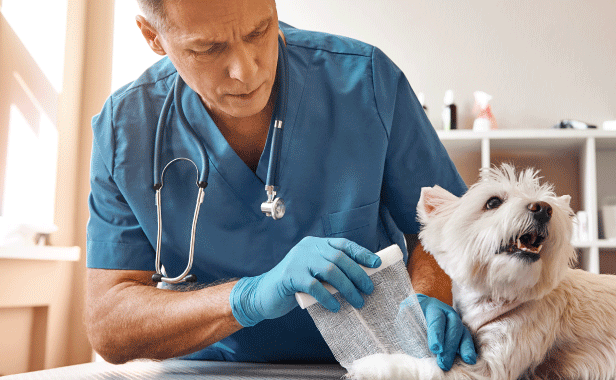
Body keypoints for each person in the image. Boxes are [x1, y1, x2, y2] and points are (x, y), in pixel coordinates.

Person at [84, 0, 476, 372]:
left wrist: (427, 297)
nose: (246, 70)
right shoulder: (125, 131)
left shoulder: (366, 82)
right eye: (208, 48)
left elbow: (446, 226)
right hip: (209, 371)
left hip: (374, 362)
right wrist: (247, 298)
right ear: (153, 36)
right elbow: (109, 322)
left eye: (258, 31)